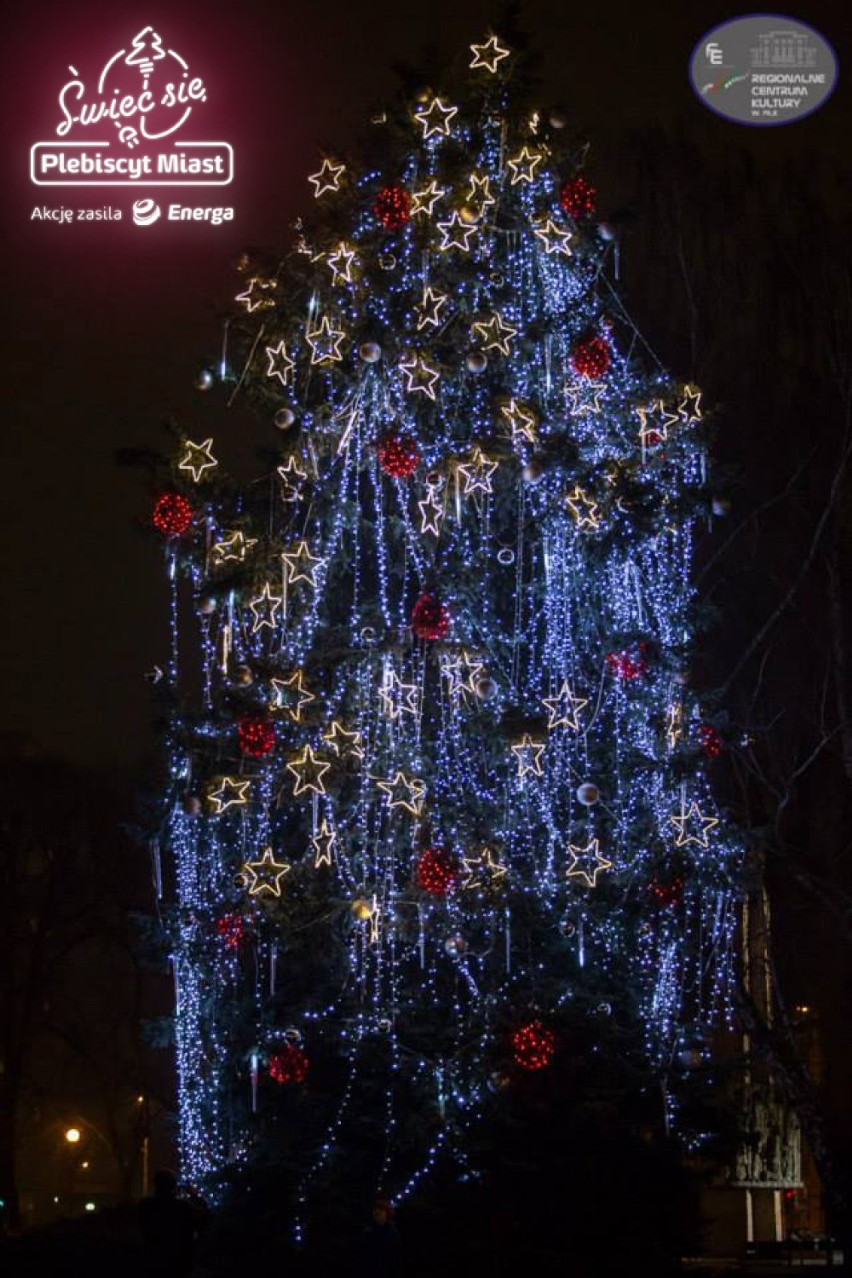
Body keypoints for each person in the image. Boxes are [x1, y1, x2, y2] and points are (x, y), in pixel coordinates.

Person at [137, 1169, 199, 1276]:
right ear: (173, 1186)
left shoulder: (146, 1205)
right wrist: (194, 1195)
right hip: (178, 1262)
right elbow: (204, 1218)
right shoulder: (183, 1207)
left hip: (153, 1260)